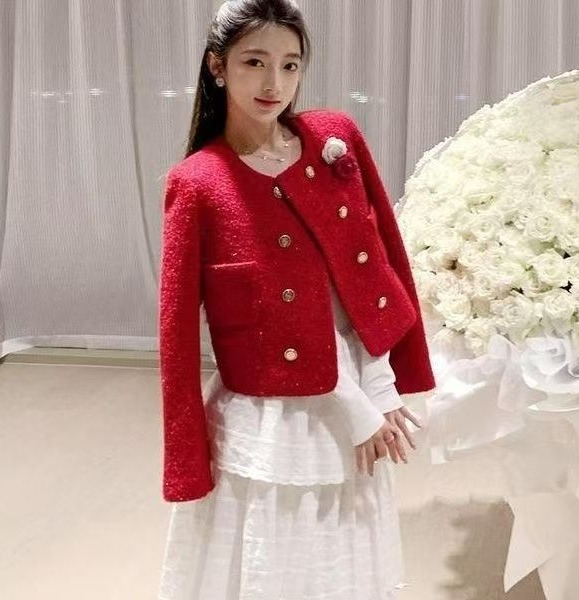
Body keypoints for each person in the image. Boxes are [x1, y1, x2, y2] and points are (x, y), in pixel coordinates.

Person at [156, 1, 436, 598]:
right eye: (254, 62)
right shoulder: (199, 182)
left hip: (356, 378)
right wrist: (357, 407)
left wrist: (383, 383)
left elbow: (374, 263)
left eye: (290, 64)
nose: (274, 83)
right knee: (274, 551)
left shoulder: (335, 139)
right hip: (274, 415)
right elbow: (177, 336)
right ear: (218, 67)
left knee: (344, 550)